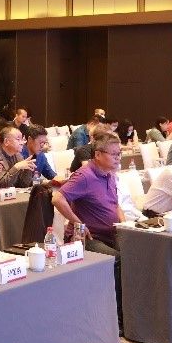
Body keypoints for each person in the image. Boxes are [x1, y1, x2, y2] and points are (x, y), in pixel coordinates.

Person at [52, 132, 124, 326]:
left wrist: (123, 225)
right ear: (98, 154)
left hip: (111, 232)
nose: (118, 158)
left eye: (119, 153)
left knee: (138, 252)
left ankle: (130, 312)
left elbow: (115, 205)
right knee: (117, 259)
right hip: (88, 238)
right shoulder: (85, 175)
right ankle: (117, 319)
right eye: (114, 154)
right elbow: (57, 199)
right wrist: (78, 223)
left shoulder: (110, 174)